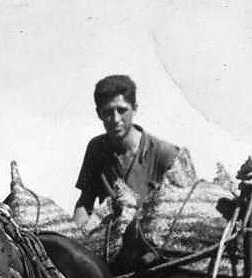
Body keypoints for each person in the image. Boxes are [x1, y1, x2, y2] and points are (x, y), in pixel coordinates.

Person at [72, 74, 182, 227]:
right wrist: (75, 236)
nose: (115, 119)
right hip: (108, 241)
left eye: (122, 110)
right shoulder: (97, 148)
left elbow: (184, 213)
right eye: (108, 112)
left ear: (135, 108)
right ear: (99, 114)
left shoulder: (166, 154)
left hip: (152, 244)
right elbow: (85, 201)